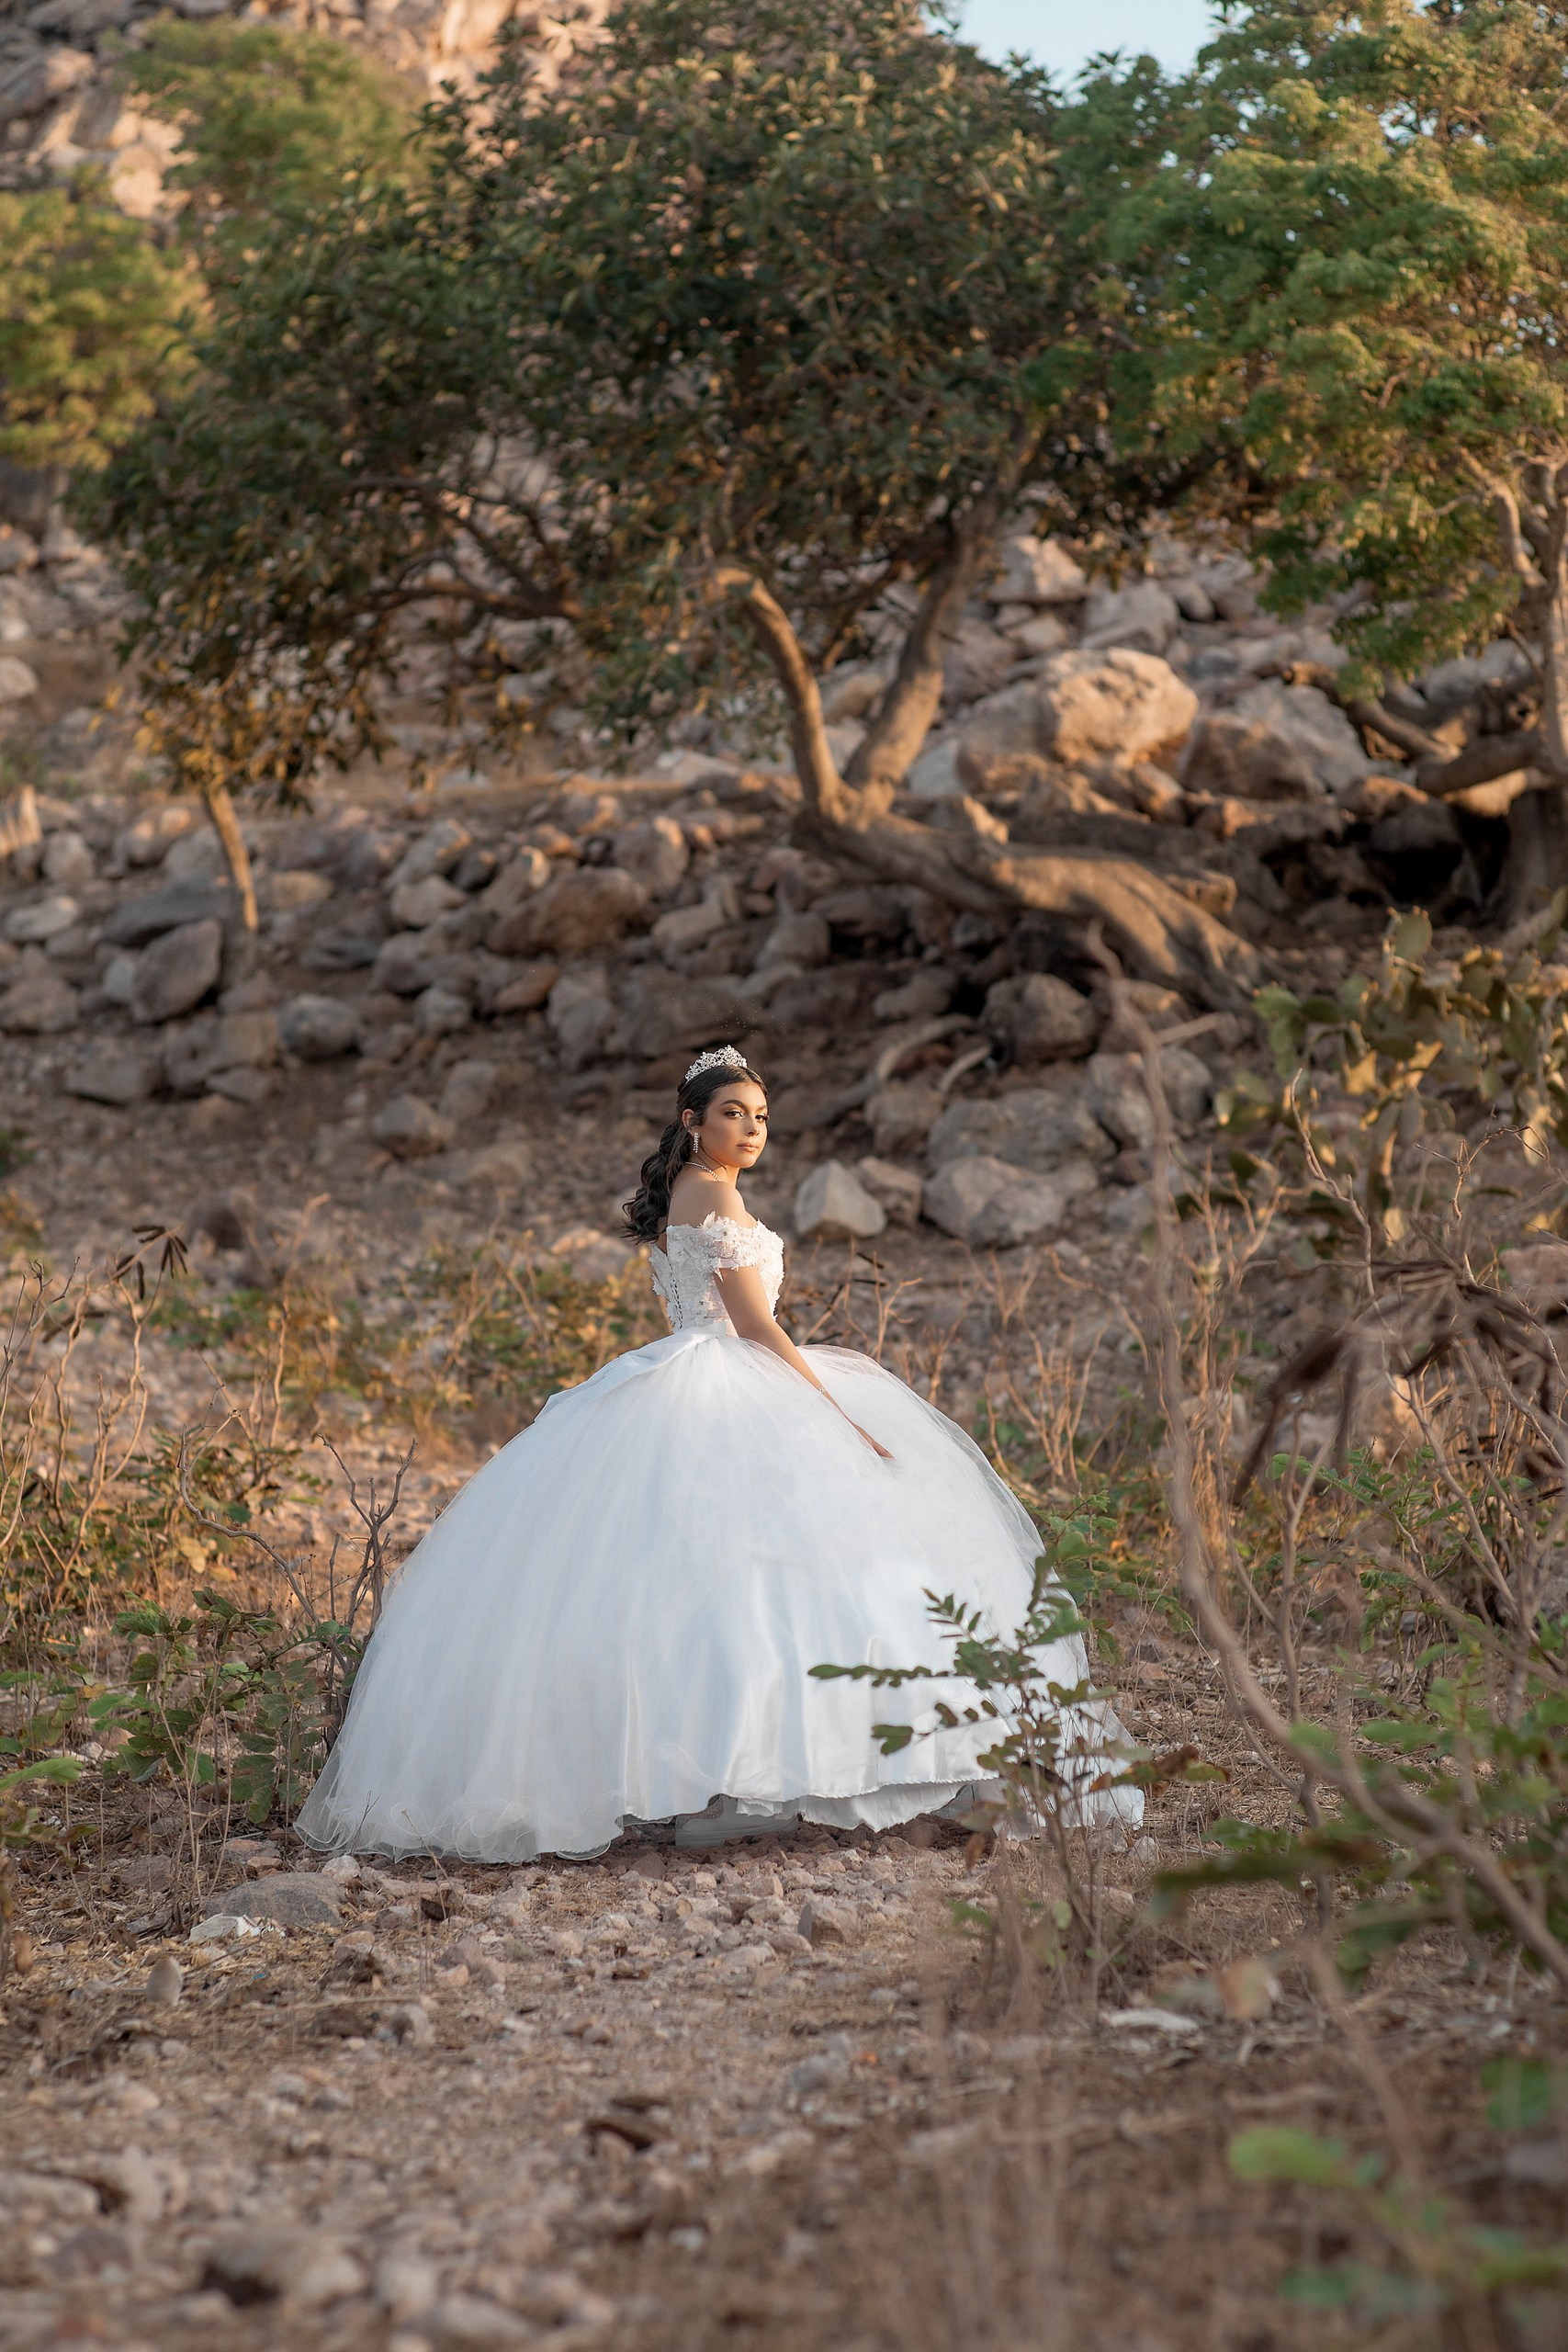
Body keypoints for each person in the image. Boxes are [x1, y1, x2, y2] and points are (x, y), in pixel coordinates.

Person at [297, 1046, 1140, 1860]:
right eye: (732, 1113)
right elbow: (756, 1324)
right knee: (774, 1572)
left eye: (761, 1116)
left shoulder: (688, 1190)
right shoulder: (716, 1199)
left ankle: (729, 1781)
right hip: (730, 1376)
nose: (750, 1129)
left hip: (686, 1373)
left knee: (706, 1580)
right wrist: (838, 1412)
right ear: (691, 1120)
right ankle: (768, 1775)